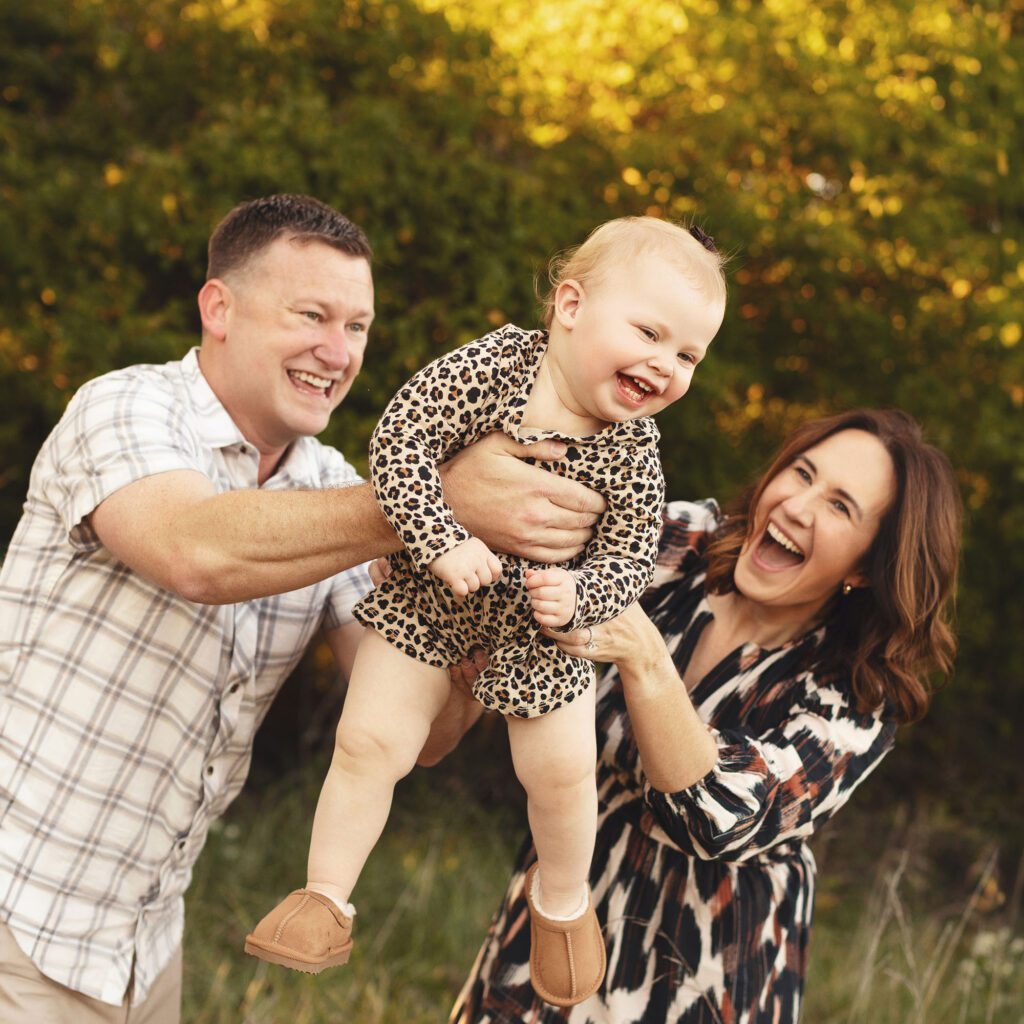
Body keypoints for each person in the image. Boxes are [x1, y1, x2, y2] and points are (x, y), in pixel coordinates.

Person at [0, 194, 606, 1024]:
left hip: (141, 946)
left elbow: (422, 732)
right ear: (219, 308)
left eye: (357, 327)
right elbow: (193, 550)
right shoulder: (127, 407)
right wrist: (428, 500)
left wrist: (500, 594)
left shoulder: (329, 487)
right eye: (312, 315)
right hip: (16, 913)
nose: (338, 350)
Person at [244, 217, 728, 1007]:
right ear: (570, 305)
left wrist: (584, 595)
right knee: (369, 739)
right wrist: (439, 540)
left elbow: (633, 548)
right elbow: (401, 440)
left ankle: (563, 905)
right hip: (432, 599)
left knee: (561, 772)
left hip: (543, 631)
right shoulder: (496, 366)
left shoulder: (636, 447)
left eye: (687, 356)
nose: (664, 365)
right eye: (649, 332)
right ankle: (324, 897)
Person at [443, 408, 962, 1023]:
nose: (797, 506)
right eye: (801, 473)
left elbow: (718, 818)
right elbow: (541, 513)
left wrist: (645, 658)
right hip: (559, 913)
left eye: (841, 507)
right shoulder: (683, 545)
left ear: (864, 569)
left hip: (700, 975)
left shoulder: (854, 700)